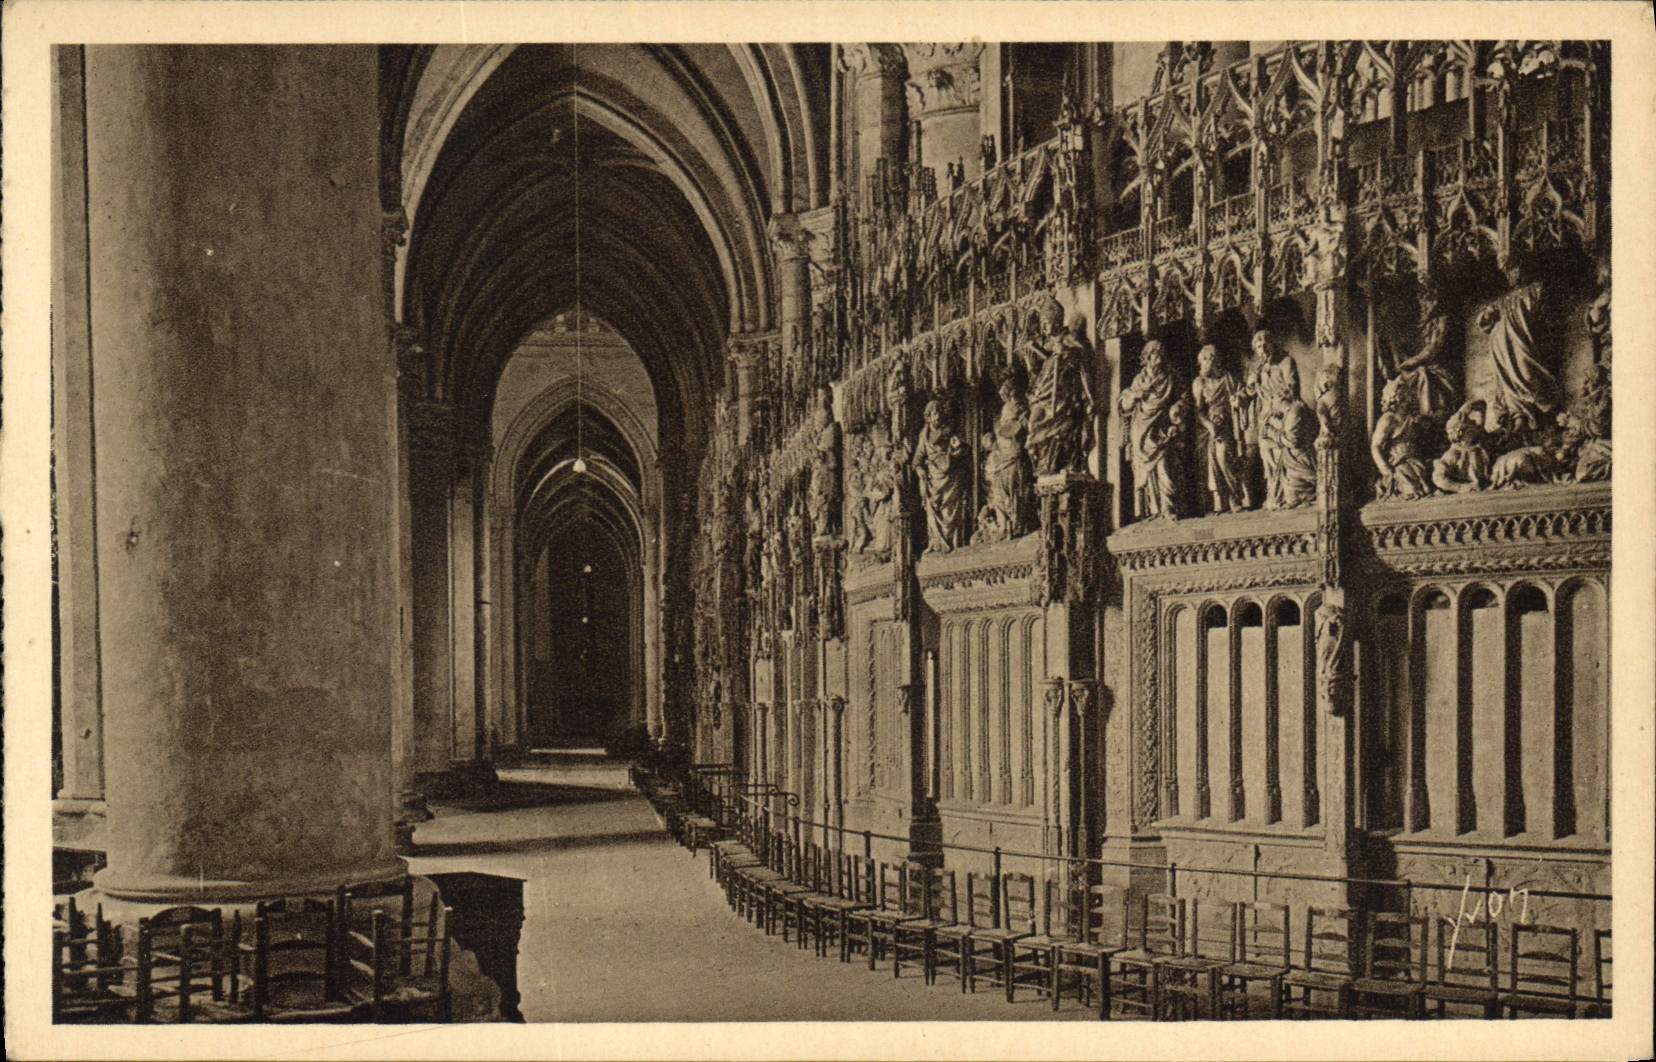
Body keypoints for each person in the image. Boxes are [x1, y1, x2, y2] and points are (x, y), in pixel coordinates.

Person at [1024, 297, 1096, 478]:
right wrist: (1033, 353)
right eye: (1042, 323)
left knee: (1061, 430)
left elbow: (1082, 356)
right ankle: (1041, 462)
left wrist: (1064, 350)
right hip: (1044, 392)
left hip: (1062, 394)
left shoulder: (1068, 338)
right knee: (1033, 424)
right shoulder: (1047, 344)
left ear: (1056, 321)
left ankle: (1054, 463)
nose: (1044, 327)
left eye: (1047, 322)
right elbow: (1042, 366)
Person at [1120, 340, 1188, 519]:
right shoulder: (1139, 380)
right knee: (1146, 472)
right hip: (1141, 428)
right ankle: (1153, 510)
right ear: (1147, 358)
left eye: (1159, 354)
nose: (1157, 358)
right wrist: (1135, 396)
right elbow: (1125, 405)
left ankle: (1168, 508)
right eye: (1153, 354)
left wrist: (1177, 409)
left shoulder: (1169, 378)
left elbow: (1183, 397)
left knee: (1164, 467)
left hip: (1162, 427)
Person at [974, 372, 1034, 543]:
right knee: (1000, 492)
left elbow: (1018, 427)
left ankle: (1014, 525)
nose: (1004, 394)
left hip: (1013, 453)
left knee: (1013, 489)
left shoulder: (1018, 407)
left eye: (1007, 391)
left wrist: (1004, 429)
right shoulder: (1008, 408)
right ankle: (1007, 525)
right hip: (1004, 455)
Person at [1190, 344, 1250, 513]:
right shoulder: (1199, 383)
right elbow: (1198, 411)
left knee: (1225, 458)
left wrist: (1238, 399)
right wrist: (1210, 426)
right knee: (1213, 461)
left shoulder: (1228, 378)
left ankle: (1234, 496)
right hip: (1209, 426)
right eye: (1204, 361)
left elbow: (1243, 393)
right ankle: (1220, 499)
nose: (1207, 365)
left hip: (1229, 423)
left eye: (1210, 360)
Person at [912, 398, 970, 552]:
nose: (936, 416)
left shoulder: (948, 431)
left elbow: (962, 450)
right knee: (933, 508)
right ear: (928, 417)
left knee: (949, 510)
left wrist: (956, 449)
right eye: (932, 413)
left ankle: (951, 543)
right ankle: (936, 543)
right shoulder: (924, 435)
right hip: (933, 478)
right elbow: (918, 458)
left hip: (950, 475)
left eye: (938, 412)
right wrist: (920, 470)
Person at [1371, 375, 1434, 500]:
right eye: (1404, 394)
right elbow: (1375, 446)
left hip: (1416, 460)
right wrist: (1385, 469)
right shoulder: (1388, 419)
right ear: (1394, 397)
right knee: (1411, 489)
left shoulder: (1411, 418)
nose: (1408, 397)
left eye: (1408, 394)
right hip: (1399, 463)